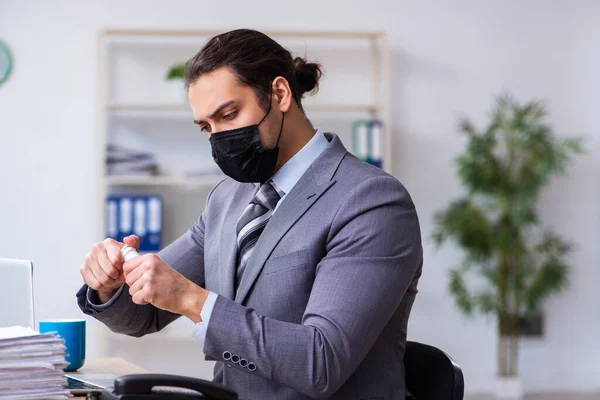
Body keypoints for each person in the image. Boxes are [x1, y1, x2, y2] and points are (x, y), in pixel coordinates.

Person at [77, 28, 423, 400]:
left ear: (279, 94)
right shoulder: (227, 199)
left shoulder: (372, 202)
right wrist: (111, 284)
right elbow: (143, 315)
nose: (219, 138)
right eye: (206, 127)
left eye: (228, 114)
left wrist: (192, 300)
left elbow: (321, 361)